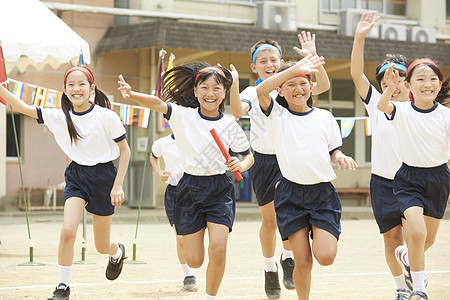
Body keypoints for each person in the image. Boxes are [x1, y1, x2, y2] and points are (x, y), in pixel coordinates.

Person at [118, 62, 254, 300]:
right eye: (204, 87)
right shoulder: (183, 115)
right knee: (195, 259)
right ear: (195, 91)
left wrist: (241, 165)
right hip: (189, 189)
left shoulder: (230, 125)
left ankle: (210, 297)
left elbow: (248, 156)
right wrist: (132, 94)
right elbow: (158, 104)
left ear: (224, 92)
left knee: (219, 248)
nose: (210, 93)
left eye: (217, 88)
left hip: (220, 189)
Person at [0, 65, 131, 300]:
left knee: (101, 246)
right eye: (70, 84)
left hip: (104, 178)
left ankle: (118, 251)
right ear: (64, 89)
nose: (76, 89)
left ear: (92, 88)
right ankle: (62, 287)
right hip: (77, 176)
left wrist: (118, 185)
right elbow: (22, 107)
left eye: (81, 84)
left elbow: (125, 151)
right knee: (68, 231)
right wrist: (1, 88)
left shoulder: (106, 116)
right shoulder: (59, 116)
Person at [229, 32, 330, 299]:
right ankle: (269, 268)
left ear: (281, 60)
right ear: (254, 67)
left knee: (288, 217)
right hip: (265, 160)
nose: (269, 63)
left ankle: (288, 258)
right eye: (263, 60)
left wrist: (311, 57)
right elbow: (238, 111)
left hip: (292, 160)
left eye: (274, 59)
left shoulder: (291, 84)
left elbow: (322, 86)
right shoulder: (255, 90)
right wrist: (235, 86)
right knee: (270, 220)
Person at [255, 52, 357, 300]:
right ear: (280, 90)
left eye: (303, 83)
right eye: (290, 84)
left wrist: (339, 157)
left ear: (311, 87)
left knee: (325, 257)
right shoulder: (276, 116)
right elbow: (261, 92)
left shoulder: (325, 117)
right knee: (303, 263)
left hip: (322, 194)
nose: (298, 88)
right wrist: (293, 69)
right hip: (290, 195)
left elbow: (333, 149)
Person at [350, 12, 413, 299]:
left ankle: (415, 272)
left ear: (408, 81)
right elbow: (355, 74)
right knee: (392, 240)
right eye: (386, 79)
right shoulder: (375, 103)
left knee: (417, 238)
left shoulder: (421, 106)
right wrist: (359, 37)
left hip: (414, 182)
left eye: (398, 77)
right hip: (382, 183)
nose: (393, 83)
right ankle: (402, 289)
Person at [377, 60, 450, 300]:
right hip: (409, 179)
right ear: (408, 85)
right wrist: (390, 86)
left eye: (432, 79)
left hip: (438, 179)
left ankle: (406, 256)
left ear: (439, 85)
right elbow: (382, 105)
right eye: (419, 79)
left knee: (427, 240)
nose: (426, 84)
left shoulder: (446, 116)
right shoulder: (402, 110)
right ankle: (419, 290)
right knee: (417, 234)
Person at [150, 132, 197, 292]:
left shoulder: (194, 137)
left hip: (197, 190)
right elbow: (153, 156)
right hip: (175, 193)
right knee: (180, 238)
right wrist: (158, 171)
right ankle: (188, 274)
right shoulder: (162, 143)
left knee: (197, 236)